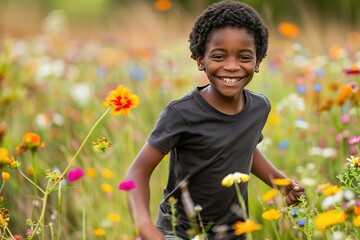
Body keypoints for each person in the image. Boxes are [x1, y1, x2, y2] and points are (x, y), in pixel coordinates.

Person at [125, 1, 306, 239]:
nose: (231, 67)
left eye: (244, 57)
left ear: (258, 62)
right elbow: (138, 170)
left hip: (234, 232)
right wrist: (145, 227)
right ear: (201, 59)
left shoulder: (259, 107)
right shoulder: (181, 113)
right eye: (219, 56)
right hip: (180, 231)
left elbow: (245, 148)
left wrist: (281, 184)